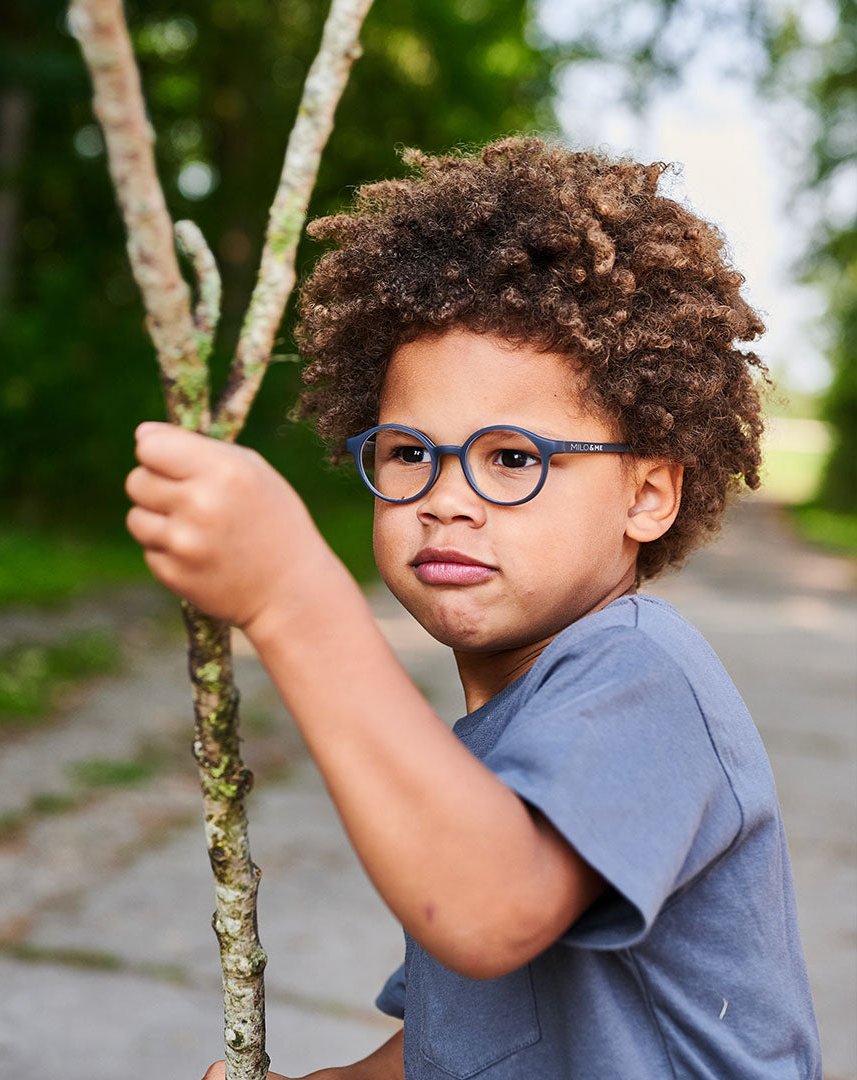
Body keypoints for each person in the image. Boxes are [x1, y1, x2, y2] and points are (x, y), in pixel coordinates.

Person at [124, 137, 822, 1079]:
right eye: (411, 453)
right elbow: (462, 1040)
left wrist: (293, 596)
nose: (446, 498)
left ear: (648, 493)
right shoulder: (495, 747)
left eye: (512, 458)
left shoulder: (644, 672)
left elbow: (491, 909)